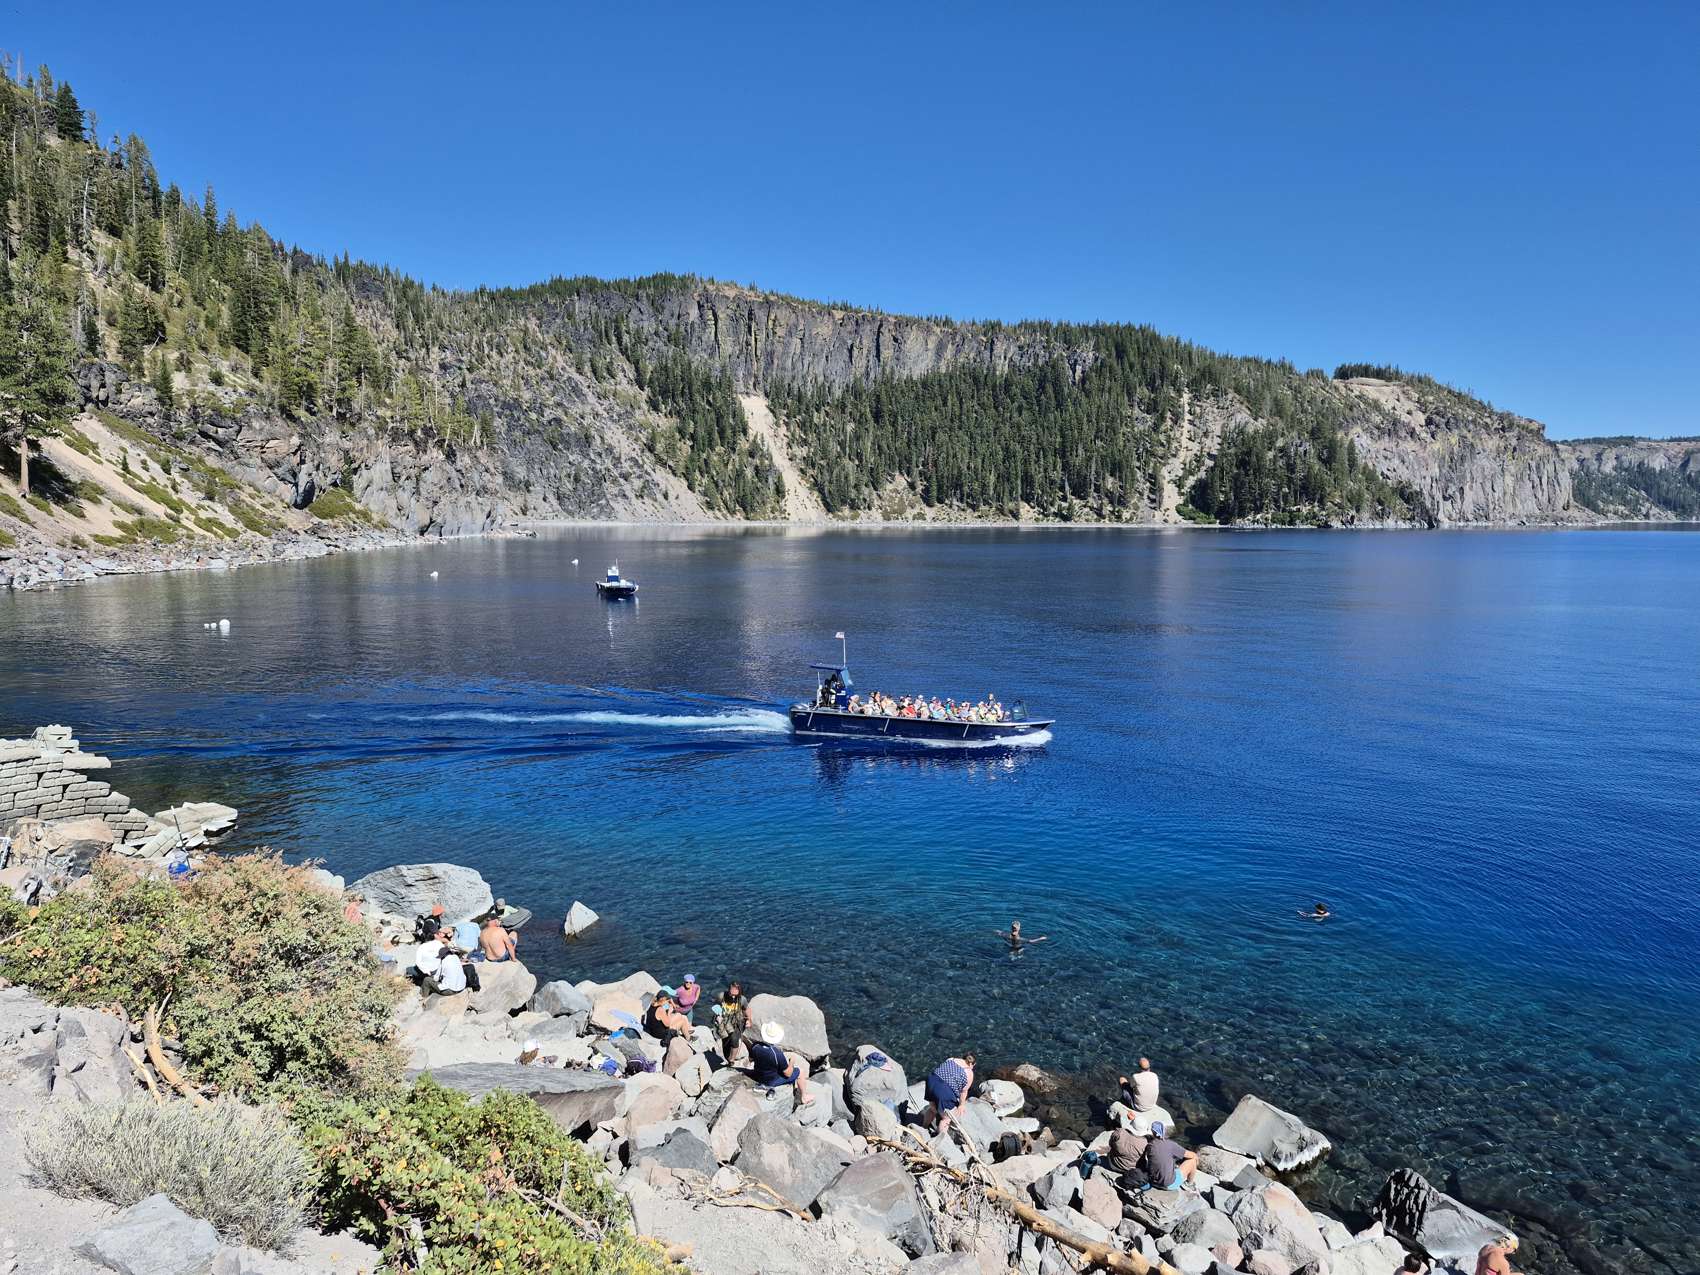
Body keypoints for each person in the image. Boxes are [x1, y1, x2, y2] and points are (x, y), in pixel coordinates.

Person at [747, 1021, 812, 1104]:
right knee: (801, 1072)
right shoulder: (777, 1054)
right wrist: (792, 1062)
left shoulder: (755, 1046)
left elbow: (751, 1059)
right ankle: (804, 1097)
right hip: (771, 1080)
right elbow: (788, 1074)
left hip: (758, 1075)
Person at [925, 1052, 976, 1137]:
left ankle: (923, 1128)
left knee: (933, 1109)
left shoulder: (951, 1059)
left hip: (932, 1081)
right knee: (946, 1118)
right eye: (973, 1066)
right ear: (971, 1064)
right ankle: (939, 1139)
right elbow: (964, 1092)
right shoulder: (969, 1073)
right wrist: (961, 1105)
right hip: (944, 1090)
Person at [1139, 1120, 1198, 1191]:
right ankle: (1189, 1184)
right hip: (1169, 1185)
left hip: (1153, 1181)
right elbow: (1192, 1155)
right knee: (1193, 1161)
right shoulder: (1171, 1145)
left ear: (1152, 1132)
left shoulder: (1150, 1145)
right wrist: (1196, 1162)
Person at [712, 981, 747, 1061]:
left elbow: (746, 1009)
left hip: (737, 1022)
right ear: (728, 991)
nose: (733, 997)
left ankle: (732, 1060)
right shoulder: (721, 996)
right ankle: (728, 1057)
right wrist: (718, 1015)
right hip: (724, 1021)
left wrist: (749, 1020)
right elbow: (716, 1005)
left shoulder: (742, 999)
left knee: (734, 1039)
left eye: (736, 995)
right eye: (731, 994)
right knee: (725, 1040)